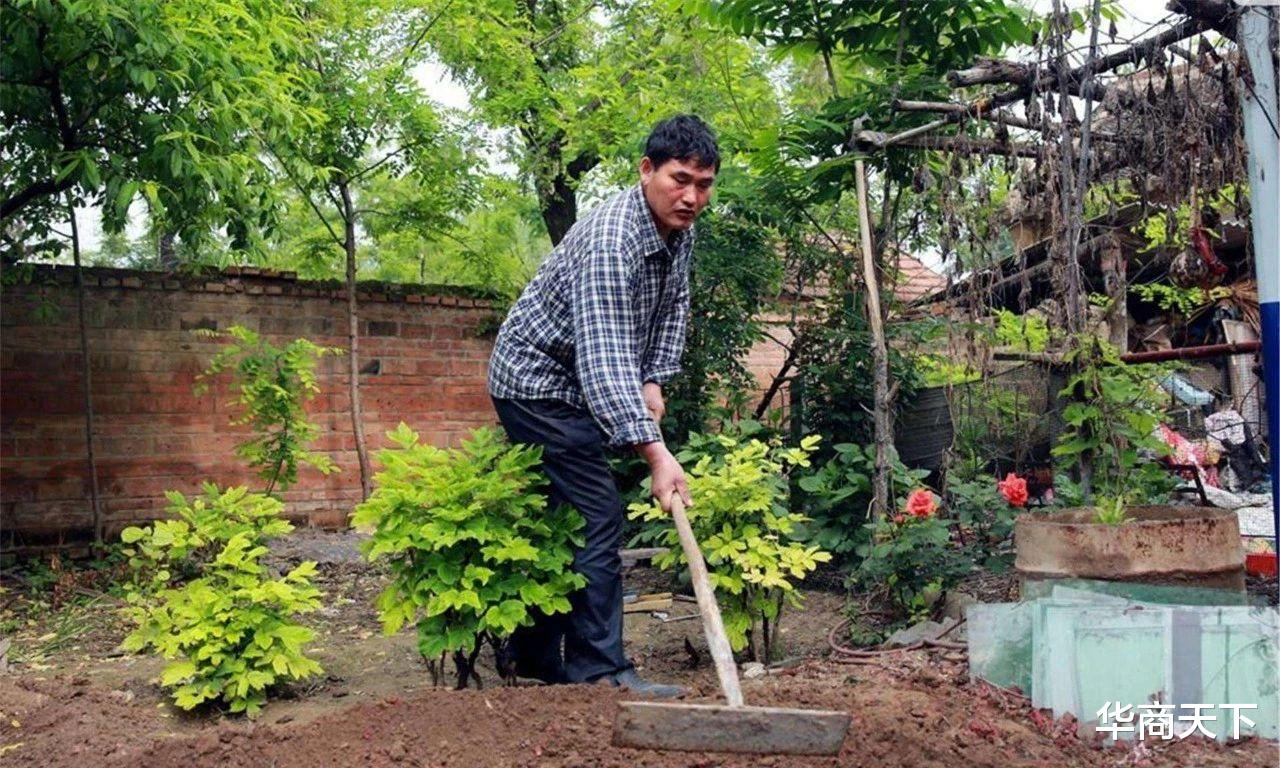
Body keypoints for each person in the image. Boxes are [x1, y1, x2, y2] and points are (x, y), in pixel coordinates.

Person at [488, 114, 718, 696]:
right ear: (646, 170)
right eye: (680, 179)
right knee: (597, 513)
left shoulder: (677, 230)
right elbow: (605, 361)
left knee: (566, 518)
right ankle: (600, 671)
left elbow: (673, 306)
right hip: (536, 384)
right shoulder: (612, 241)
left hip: (574, 379)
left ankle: (536, 660)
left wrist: (655, 380)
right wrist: (656, 455)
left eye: (704, 185)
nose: (691, 197)